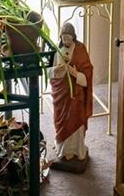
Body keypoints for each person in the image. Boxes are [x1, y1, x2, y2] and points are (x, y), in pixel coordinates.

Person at [49, 22, 93, 173]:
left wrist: (74, 73)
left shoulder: (80, 50)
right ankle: (63, 147)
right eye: (64, 38)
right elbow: (51, 72)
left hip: (75, 95)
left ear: (74, 37)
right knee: (60, 119)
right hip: (60, 94)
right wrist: (58, 71)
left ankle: (76, 150)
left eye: (69, 38)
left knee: (75, 119)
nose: (67, 41)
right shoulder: (57, 50)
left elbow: (87, 75)